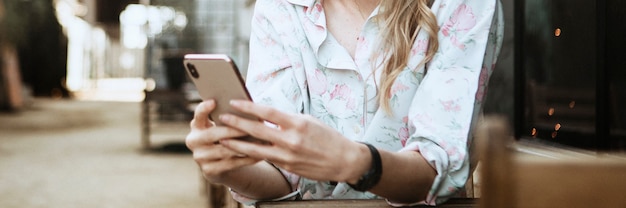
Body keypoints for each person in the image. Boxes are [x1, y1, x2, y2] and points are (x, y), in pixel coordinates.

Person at [186, 0, 503, 206]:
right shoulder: (279, 8)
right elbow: (280, 177)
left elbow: (437, 174)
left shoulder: (464, 5)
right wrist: (229, 168)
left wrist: (356, 162)